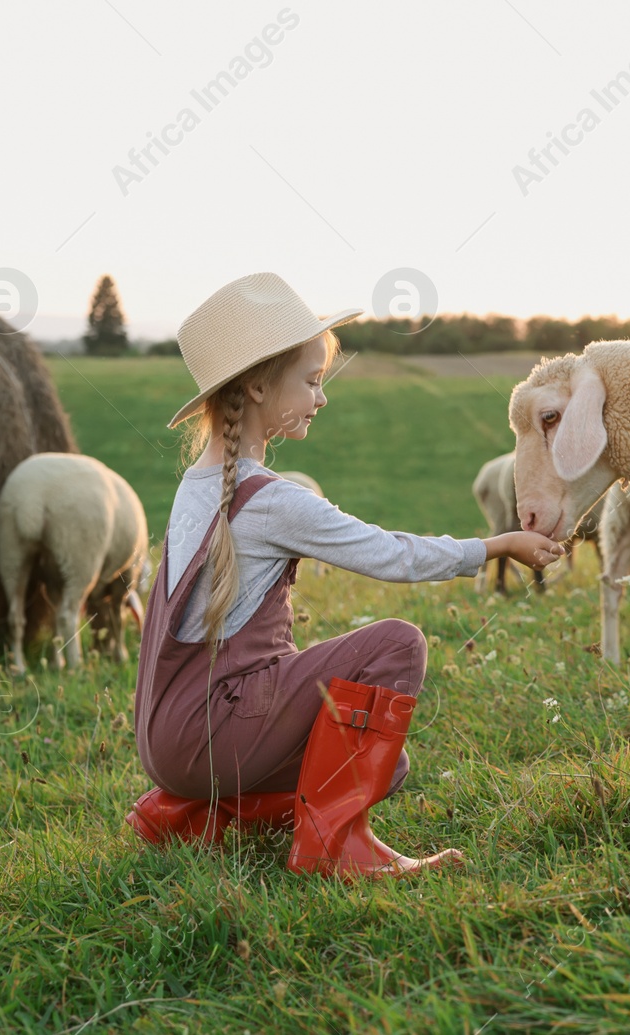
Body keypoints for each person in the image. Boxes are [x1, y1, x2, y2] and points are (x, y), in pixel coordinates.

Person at [124, 273, 562, 880]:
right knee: (396, 645)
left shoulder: (195, 485)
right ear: (255, 386)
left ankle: (192, 816)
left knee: (381, 760)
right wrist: (497, 544)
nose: (321, 398)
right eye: (311, 381)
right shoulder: (270, 499)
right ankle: (332, 845)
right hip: (210, 733)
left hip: (171, 739)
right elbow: (390, 555)